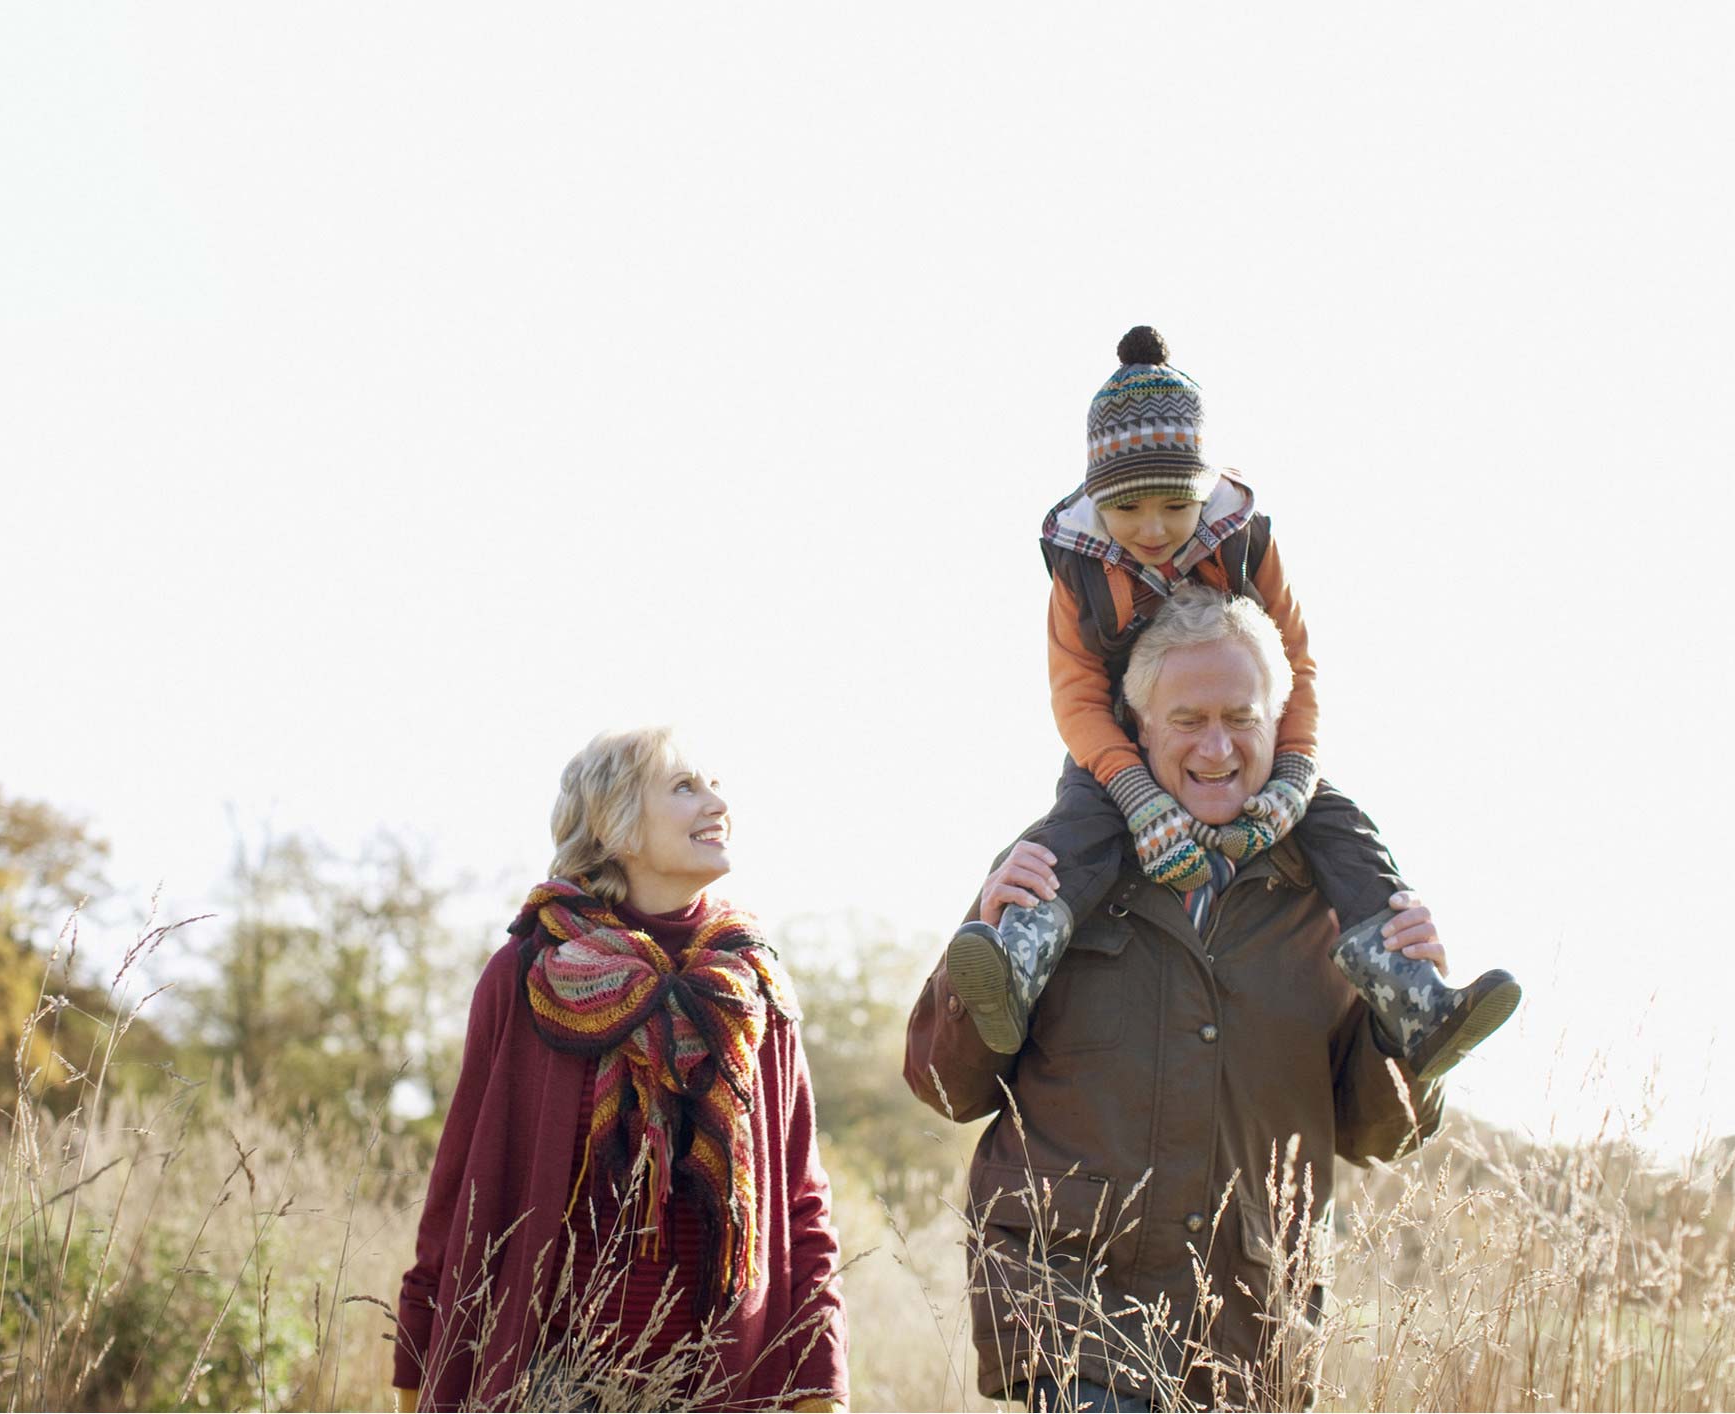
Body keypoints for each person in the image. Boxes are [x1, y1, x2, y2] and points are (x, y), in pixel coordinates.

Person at [905, 586, 1449, 1409]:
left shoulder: (1336, 904)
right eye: (1188, 721)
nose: (1218, 747)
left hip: (1252, 1332)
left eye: (1241, 717)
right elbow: (944, 1087)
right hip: (1077, 1319)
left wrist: (1406, 1032)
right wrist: (971, 952)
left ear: (1280, 722)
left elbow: (1378, 1132)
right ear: (1140, 729)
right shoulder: (1055, 871)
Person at [944, 326, 1517, 1084]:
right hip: (1116, 753)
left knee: (1346, 833)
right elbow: (1077, 698)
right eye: (1128, 509)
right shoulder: (1076, 571)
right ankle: (1018, 960)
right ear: (1094, 500)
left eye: (1173, 506)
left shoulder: (1245, 542)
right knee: (1072, 836)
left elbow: (1297, 666)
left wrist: (1296, 772)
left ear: (1204, 490)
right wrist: (1133, 790)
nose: (1152, 529)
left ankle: (1413, 997)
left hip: (1264, 756)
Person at [392, 726, 848, 1413]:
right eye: (685, 787)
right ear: (616, 826)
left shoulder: (750, 986)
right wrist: (418, 1359)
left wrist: (823, 1382)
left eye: (716, 784)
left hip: (722, 1383)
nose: (717, 802)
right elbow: (460, 1189)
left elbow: (801, 1204)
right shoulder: (527, 975)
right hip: (552, 1382)